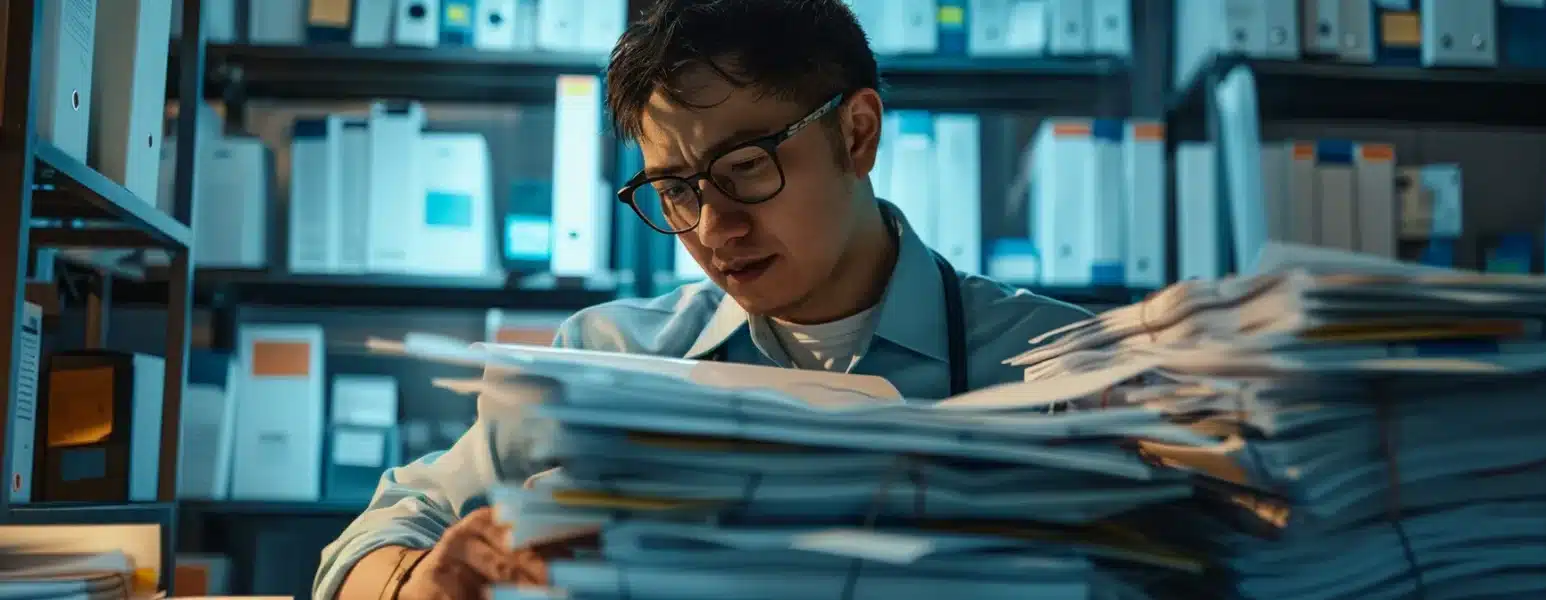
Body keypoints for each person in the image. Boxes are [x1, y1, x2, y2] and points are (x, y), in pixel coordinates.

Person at [313, 1, 1094, 598]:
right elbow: (376, 532)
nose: (715, 227)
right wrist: (421, 581)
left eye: (747, 165)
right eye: (675, 189)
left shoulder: (1067, 370)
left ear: (857, 135)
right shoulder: (605, 360)